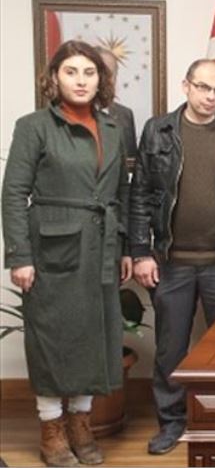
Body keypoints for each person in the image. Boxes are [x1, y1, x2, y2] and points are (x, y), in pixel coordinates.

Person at [2, 40, 132, 467]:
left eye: (89, 73)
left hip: (101, 248)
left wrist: (124, 247)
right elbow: (13, 192)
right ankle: (51, 429)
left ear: (100, 80)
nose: (81, 80)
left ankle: (81, 423)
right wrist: (20, 256)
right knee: (52, 338)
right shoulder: (34, 126)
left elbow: (120, 191)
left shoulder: (112, 127)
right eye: (71, 72)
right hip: (52, 251)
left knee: (93, 337)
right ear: (54, 78)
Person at [128, 59, 215, 454]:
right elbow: (140, 195)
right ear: (185, 85)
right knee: (171, 348)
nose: (210, 97)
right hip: (171, 261)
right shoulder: (158, 131)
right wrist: (140, 252)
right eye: (203, 87)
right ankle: (172, 423)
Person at [96, 47, 138, 162]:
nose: (106, 80)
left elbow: (130, 162)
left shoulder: (125, 115)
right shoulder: (71, 113)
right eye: (102, 73)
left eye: (111, 74)